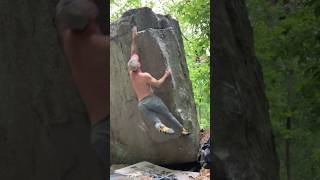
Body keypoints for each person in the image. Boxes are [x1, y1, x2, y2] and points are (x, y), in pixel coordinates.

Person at [55, 0, 109, 174]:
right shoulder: (105, 47)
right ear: (93, 15)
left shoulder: (69, 44)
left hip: (98, 132)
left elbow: (64, 14)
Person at [127, 26, 190, 136]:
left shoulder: (131, 73)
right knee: (168, 115)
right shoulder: (144, 76)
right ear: (139, 65)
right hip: (151, 100)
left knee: (155, 120)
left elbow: (133, 51)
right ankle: (182, 130)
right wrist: (166, 74)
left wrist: (134, 38)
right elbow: (158, 84)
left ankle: (159, 125)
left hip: (141, 105)